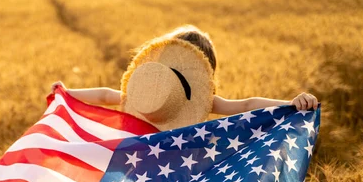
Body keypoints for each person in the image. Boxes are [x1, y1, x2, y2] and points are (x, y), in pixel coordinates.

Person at [51, 25, 318, 122]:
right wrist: (67, 93)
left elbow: (106, 95)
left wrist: (291, 104)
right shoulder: (148, 95)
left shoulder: (200, 102)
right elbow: (246, 105)